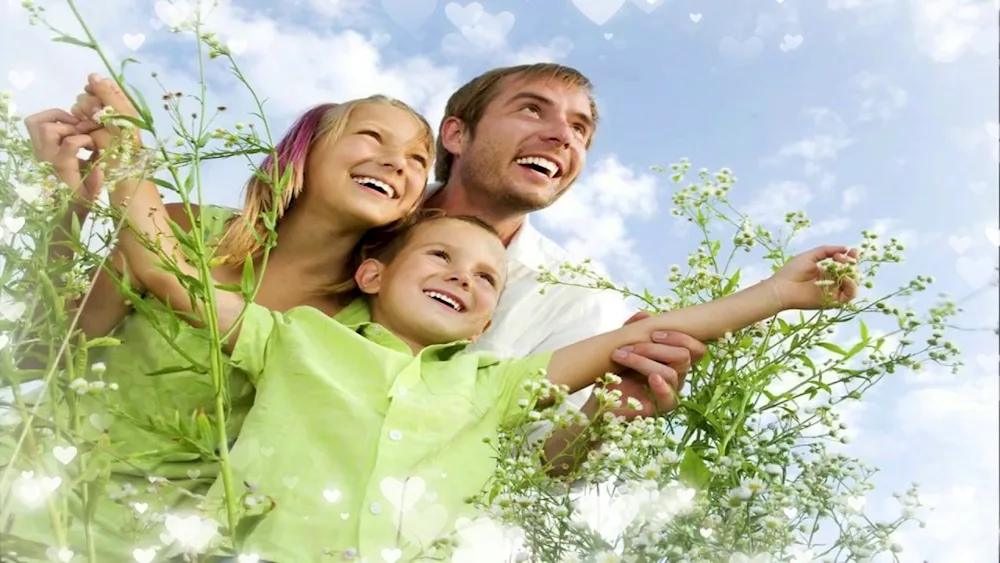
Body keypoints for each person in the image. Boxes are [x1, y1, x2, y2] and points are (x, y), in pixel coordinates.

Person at [87, 69, 858, 560]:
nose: (464, 282)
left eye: (489, 278)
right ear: (371, 272)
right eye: (533, 109)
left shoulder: (497, 373)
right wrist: (124, 157)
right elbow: (165, 268)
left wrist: (778, 293)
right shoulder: (300, 334)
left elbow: (627, 344)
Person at [3, 76, 435, 560]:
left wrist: (128, 151)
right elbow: (43, 356)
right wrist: (71, 205)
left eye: (418, 160)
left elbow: (161, 267)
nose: (397, 162)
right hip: (22, 491)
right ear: (305, 151)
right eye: (372, 136)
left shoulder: (357, 330)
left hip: (131, 544)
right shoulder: (185, 226)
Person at [420, 63, 708, 469]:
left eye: (580, 130)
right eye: (532, 110)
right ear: (456, 134)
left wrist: (601, 416)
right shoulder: (359, 213)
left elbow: (537, 470)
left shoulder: (577, 298)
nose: (562, 137)